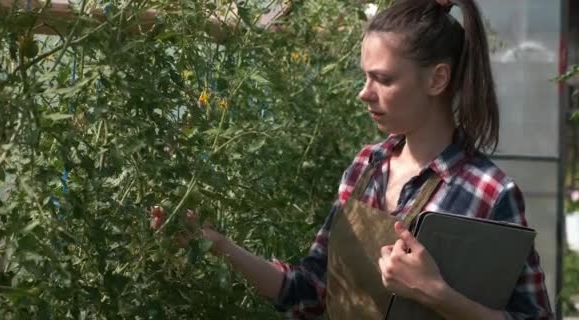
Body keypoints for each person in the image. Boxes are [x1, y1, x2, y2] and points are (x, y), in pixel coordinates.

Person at [174, 0, 555, 318]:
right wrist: (218, 244)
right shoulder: (366, 167)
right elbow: (310, 290)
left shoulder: (488, 191)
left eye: (383, 79)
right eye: (364, 77)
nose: (364, 93)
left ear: (437, 80)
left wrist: (435, 293)